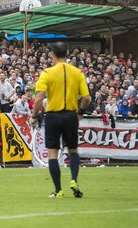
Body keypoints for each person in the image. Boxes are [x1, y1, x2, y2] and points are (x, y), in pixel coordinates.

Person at [31, 42, 91, 199]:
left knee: (52, 153)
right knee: (73, 151)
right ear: (66, 53)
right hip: (70, 115)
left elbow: (39, 98)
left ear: (52, 54)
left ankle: (58, 190)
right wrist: (80, 113)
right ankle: (74, 180)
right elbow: (86, 98)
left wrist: (34, 116)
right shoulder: (77, 73)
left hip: (53, 116)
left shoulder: (47, 73)